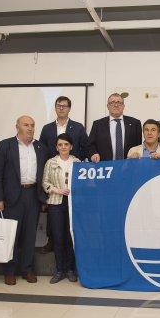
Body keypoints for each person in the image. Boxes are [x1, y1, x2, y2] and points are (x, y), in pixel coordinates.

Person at [0, 116, 48, 285]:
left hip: (33, 196)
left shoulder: (40, 147)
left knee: (30, 235)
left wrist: (43, 198)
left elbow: (44, 174)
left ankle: (27, 270)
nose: (30, 128)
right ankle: (9, 271)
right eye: (26, 125)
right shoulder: (5, 145)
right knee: (11, 235)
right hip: (11, 197)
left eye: (32, 125)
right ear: (17, 126)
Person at [39, 96, 88, 254]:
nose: (61, 108)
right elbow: (42, 151)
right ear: (55, 107)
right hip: (53, 173)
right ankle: (51, 240)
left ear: (69, 108)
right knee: (53, 212)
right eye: (58, 105)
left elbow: (84, 147)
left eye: (64, 106)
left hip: (71, 174)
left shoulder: (78, 127)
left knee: (68, 222)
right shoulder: (47, 128)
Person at [42, 133, 79, 284]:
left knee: (70, 237)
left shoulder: (77, 162)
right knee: (57, 238)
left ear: (71, 146)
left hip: (72, 203)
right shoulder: (50, 162)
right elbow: (45, 183)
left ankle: (70, 270)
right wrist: (58, 190)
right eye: (60, 145)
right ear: (56, 147)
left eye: (66, 144)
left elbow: (82, 181)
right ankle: (59, 270)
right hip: (55, 202)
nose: (63, 147)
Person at [87, 93, 142, 162]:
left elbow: (139, 146)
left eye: (119, 102)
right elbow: (90, 145)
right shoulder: (98, 124)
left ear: (123, 106)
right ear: (108, 106)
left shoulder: (135, 123)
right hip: (105, 167)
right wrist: (93, 154)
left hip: (129, 166)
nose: (116, 105)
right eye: (112, 102)